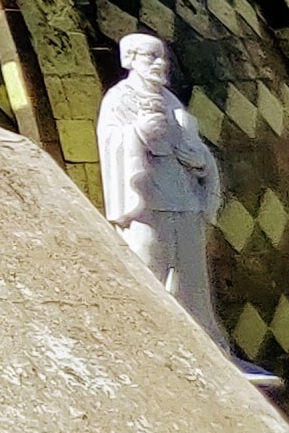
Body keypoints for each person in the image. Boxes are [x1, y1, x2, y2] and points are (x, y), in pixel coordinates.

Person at [96, 31, 227, 345]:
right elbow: (111, 139)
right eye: (151, 57)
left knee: (192, 283)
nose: (160, 64)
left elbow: (194, 147)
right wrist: (137, 134)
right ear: (130, 60)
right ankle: (144, 343)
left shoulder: (172, 102)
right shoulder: (119, 98)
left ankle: (202, 346)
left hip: (185, 201)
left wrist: (202, 160)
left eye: (164, 58)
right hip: (148, 203)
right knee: (147, 271)